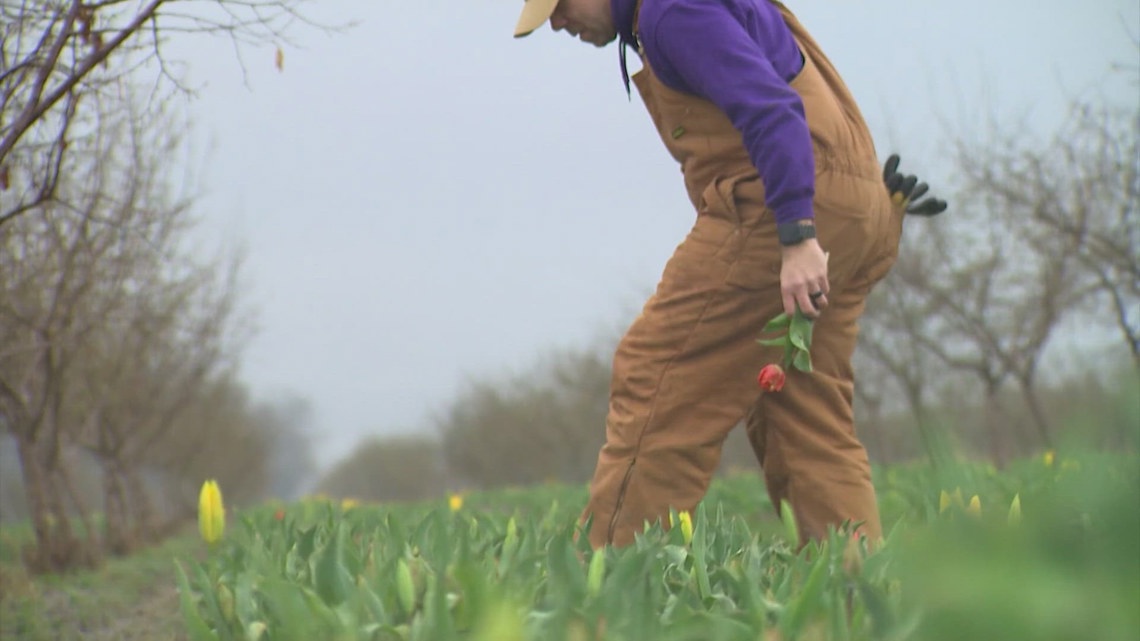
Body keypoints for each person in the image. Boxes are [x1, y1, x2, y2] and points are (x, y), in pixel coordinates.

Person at [513, 0, 946, 549]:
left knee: (657, 377)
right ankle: (853, 603)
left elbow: (770, 108)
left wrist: (797, 234)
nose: (556, 21)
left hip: (781, 213)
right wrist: (842, 214)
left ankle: (610, 595)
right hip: (849, 205)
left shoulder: (671, 12)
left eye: (560, 4)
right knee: (805, 414)